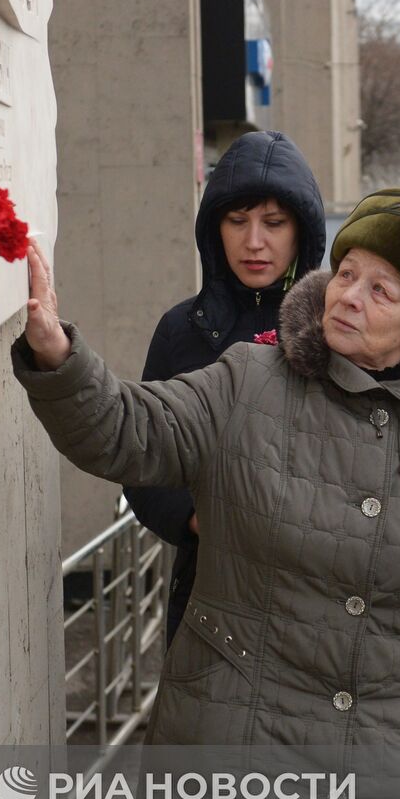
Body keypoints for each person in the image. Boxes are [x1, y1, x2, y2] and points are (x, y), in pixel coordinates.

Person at [12, 189, 400, 799]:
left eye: (381, 289)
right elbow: (127, 430)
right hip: (239, 739)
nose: (348, 296)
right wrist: (57, 354)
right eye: (347, 272)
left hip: (391, 763)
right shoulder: (249, 380)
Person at [122, 130, 326, 648]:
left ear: (303, 232)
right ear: (215, 229)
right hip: (208, 594)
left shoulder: (336, 328)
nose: (254, 241)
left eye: (274, 223)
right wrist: (196, 520)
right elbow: (141, 459)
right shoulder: (181, 330)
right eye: (237, 221)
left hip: (318, 598)